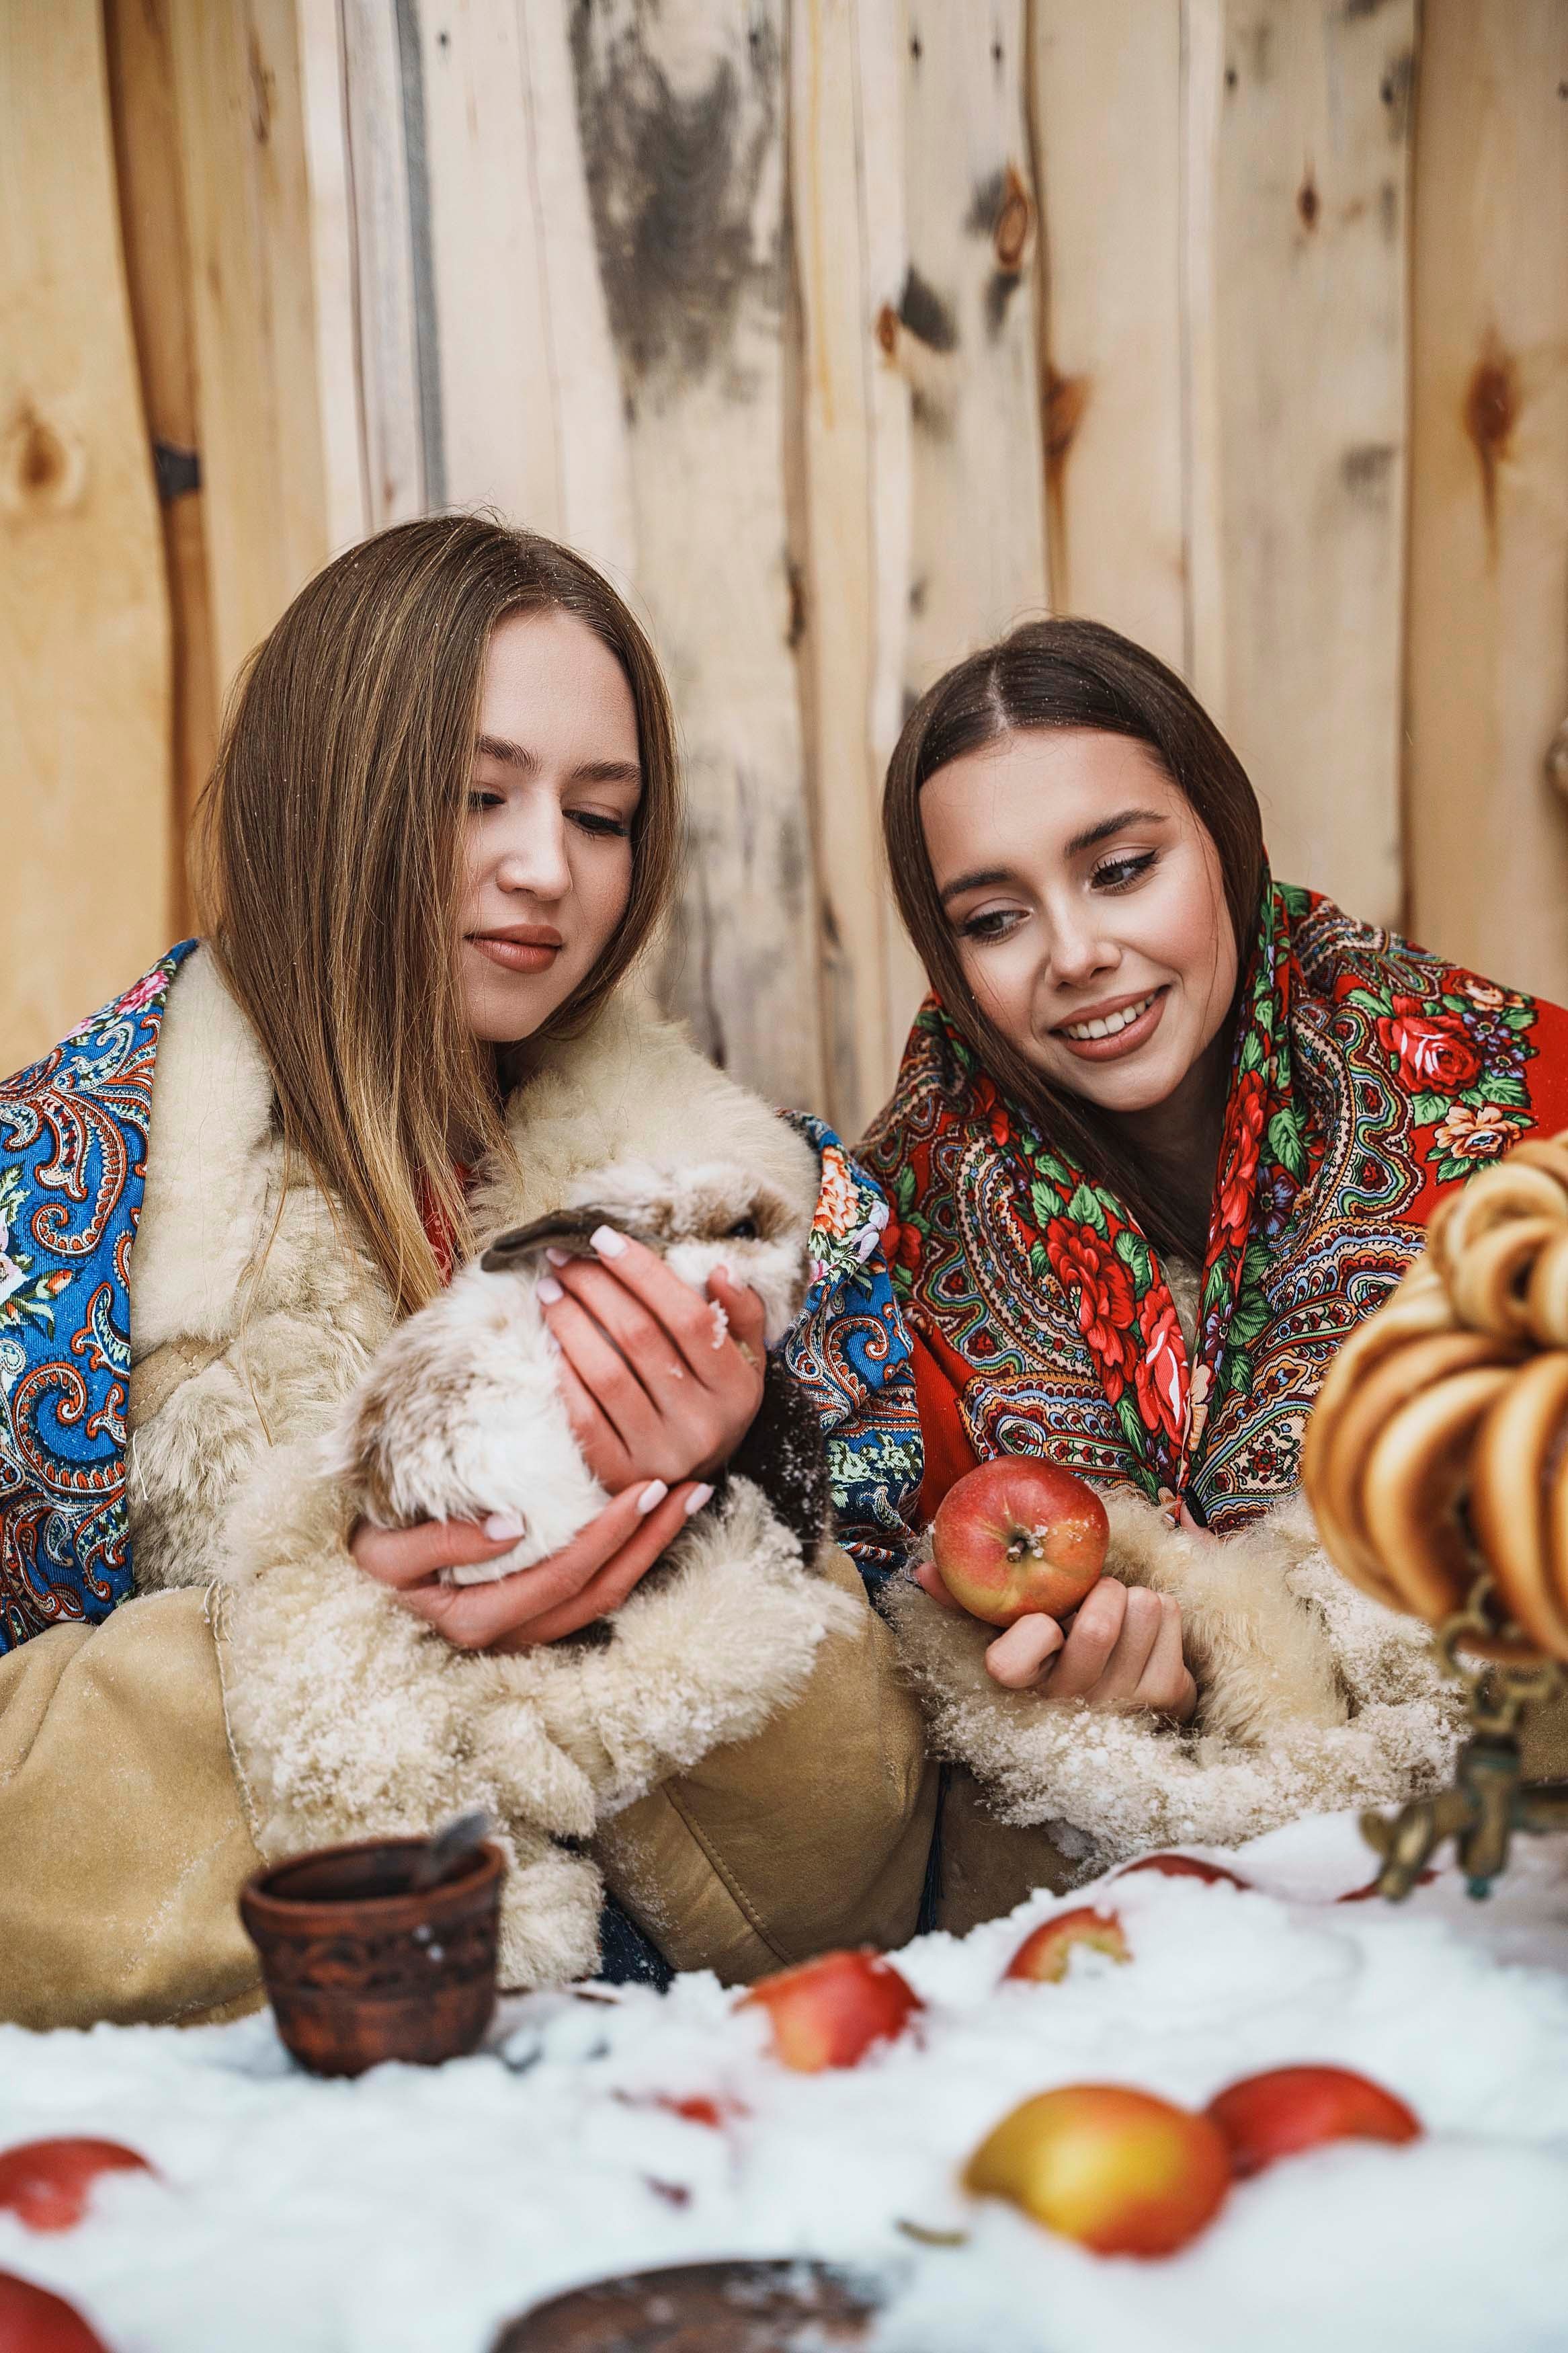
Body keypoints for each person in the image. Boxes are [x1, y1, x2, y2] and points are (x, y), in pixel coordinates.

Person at [0, 517, 934, 2028]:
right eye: (473, 794)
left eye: (603, 812)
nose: (545, 867)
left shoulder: (773, 1214)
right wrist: (347, 1615)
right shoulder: (54, 1207)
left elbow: (904, 1859)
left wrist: (714, 1509)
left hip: (704, 2109)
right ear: (325, 793)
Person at [835, 618, 1568, 1922]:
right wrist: (1100, 1729)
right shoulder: (883, 1253)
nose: (1074, 952)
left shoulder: (1521, 1105)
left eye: (1120, 868)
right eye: (996, 917)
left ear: (1223, 834)